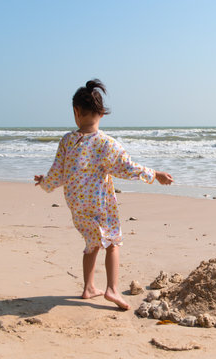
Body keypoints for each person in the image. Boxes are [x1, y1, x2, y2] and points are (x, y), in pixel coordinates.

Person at [34, 79, 173, 310]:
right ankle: (112, 289)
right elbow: (127, 168)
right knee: (112, 243)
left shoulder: (67, 141)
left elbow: (57, 173)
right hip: (101, 204)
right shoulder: (106, 144)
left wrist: (44, 183)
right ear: (102, 114)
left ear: (76, 112)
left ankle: (88, 288)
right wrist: (155, 174)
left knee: (91, 243)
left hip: (77, 206)